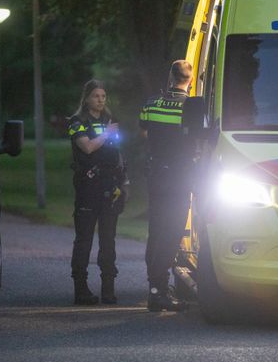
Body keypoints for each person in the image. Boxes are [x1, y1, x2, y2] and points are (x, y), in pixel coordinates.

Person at [139, 60, 196, 312]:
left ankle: (155, 287)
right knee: (172, 233)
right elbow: (200, 139)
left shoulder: (151, 103)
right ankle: (158, 291)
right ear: (190, 80)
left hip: (156, 174)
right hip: (179, 176)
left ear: (170, 77)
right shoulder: (193, 106)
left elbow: (144, 132)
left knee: (156, 229)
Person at [68, 79, 127, 305]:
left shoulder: (109, 120)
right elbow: (88, 147)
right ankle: (81, 289)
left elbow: (117, 153)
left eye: (103, 96)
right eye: (96, 96)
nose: (101, 100)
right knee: (84, 239)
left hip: (109, 186)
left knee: (108, 239)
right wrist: (106, 135)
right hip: (87, 187)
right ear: (87, 98)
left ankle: (108, 289)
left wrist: (124, 182)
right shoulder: (77, 122)